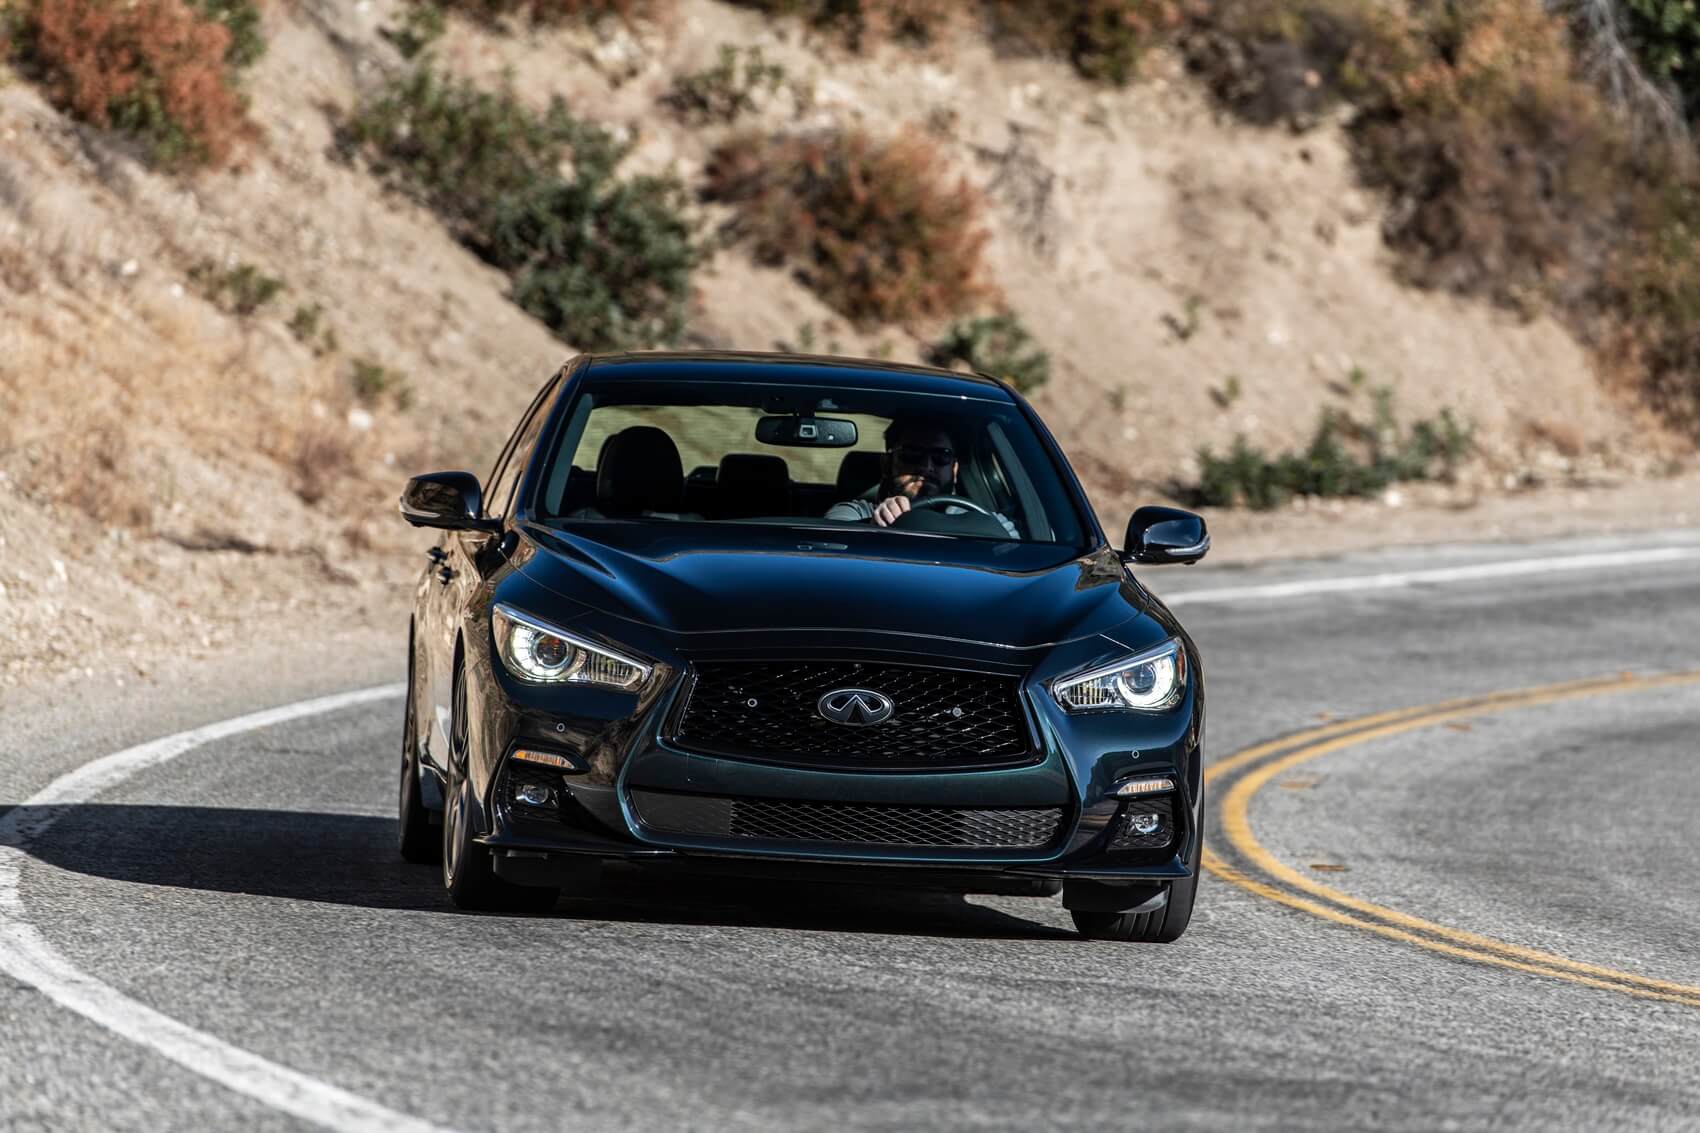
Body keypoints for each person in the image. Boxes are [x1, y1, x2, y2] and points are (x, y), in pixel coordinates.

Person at [825, 418, 1019, 537]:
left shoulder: (984, 521)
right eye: (912, 453)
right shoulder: (855, 514)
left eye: (941, 456)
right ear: (887, 464)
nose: (926, 467)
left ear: (954, 469)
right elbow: (832, 545)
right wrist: (874, 529)